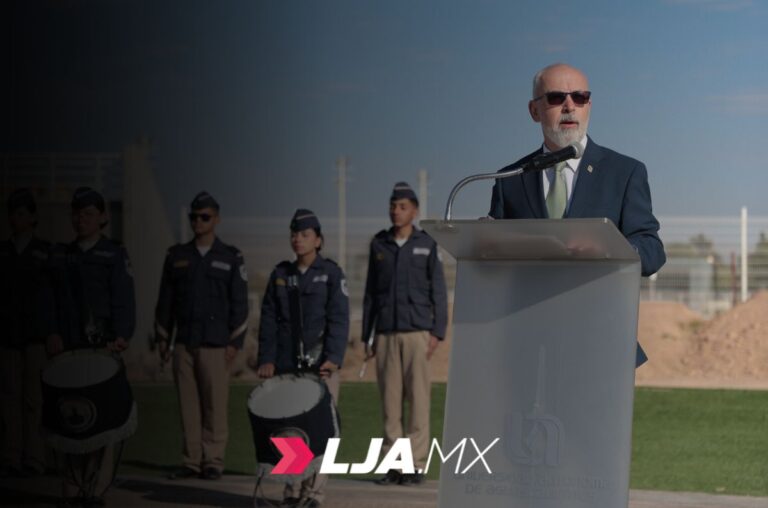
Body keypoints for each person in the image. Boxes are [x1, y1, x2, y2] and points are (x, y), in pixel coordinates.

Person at [488, 62, 666, 365]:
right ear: (534, 111)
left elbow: (652, 251)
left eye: (580, 97)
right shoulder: (511, 179)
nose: (570, 106)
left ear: (589, 106)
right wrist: (484, 244)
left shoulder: (624, 173)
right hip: (525, 347)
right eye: (557, 98)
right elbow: (495, 266)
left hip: (599, 347)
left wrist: (611, 249)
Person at [46, 187, 136, 508]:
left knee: (103, 421)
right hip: (70, 348)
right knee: (71, 420)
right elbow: (53, 300)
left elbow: (124, 299)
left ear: (102, 218)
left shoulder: (113, 254)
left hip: (102, 349)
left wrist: (123, 334)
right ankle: (72, 485)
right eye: (76, 213)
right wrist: (53, 332)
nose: (80, 219)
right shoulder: (62, 255)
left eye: (87, 214)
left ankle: (97, 487)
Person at [255, 209, 349, 508]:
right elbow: (268, 319)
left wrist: (333, 357)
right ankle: (292, 492)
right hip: (287, 367)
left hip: (321, 367)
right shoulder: (281, 275)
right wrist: (267, 358)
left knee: (323, 435)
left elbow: (339, 319)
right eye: (294, 234)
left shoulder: (331, 274)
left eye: (305, 235)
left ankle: (314, 494)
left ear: (318, 240)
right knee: (290, 433)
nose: (298, 239)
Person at [155, 191, 249, 481]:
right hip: (184, 342)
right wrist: (162, 336)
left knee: (214, 406)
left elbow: (240, 304)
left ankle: (213, 461)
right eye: (194, 217)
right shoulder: (177, 256)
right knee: (188, 406)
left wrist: (235, 343)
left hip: (215, 345)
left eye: (204, 217)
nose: (198, 221)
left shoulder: (230, 257)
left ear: (216, 220)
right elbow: (165, 301)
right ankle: (191, 461)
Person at [362, 182, 448, 486]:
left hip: (418, 334)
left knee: (419, 402)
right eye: (392, 205)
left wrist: (437, 331)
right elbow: (371, 293)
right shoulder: (379, 245)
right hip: (385, 333)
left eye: (402, 206)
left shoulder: (427, 244)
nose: (395, 211)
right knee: (390, 405)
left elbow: (438, 289)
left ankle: (416, 465)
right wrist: (367, 336)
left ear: (414, 211)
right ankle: (394, 466)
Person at [0, 189, 50, 478]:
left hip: (35, 337)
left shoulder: (45, 251)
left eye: (20, 212)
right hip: (8, 337)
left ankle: (36, 458)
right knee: (9, 399)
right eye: (11, 213)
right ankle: (10, 456)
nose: (14, 218)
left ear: (32, 217)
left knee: (34, 400)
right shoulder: (3, 252)